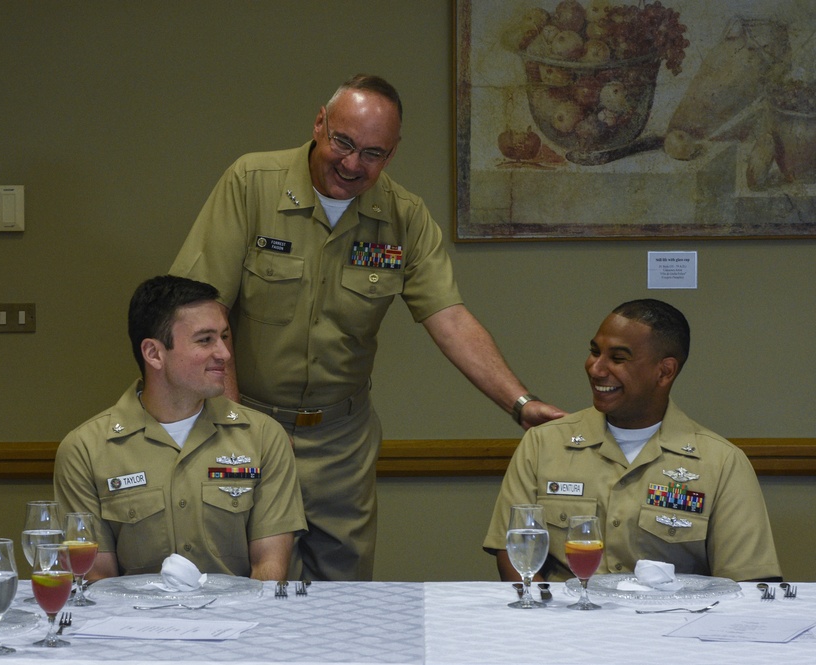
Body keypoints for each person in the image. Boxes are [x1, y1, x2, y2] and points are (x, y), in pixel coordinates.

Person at [170, 74, 564, 581]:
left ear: (392, 154)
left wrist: (520, 403)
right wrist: (234, 422)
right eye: (344, 142)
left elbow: (449, 318)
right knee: (234, 582)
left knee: (344, 592)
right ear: (319, 124)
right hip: (242, 421)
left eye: (373, 153)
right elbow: (200, 312)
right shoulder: (252, 184)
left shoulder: (404, 217)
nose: (353, 164)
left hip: (340, 440)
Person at [484, 299, 781, 582]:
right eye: (594, 351)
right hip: (566, 621)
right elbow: (514, 554)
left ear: (664, 371)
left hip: (670, 627)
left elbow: (746, 581)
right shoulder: (543, 444)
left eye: (617, 358)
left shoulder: (720, 463)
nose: (596, 368)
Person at [54, 275, 307, 582]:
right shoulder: (86, 450)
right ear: (154, 353)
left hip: (238, 622)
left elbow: (270, 569)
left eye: (224, 337)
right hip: (134, 625)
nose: (225, 354)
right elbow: (97, 579)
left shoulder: (263, 437)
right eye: (205, 340)